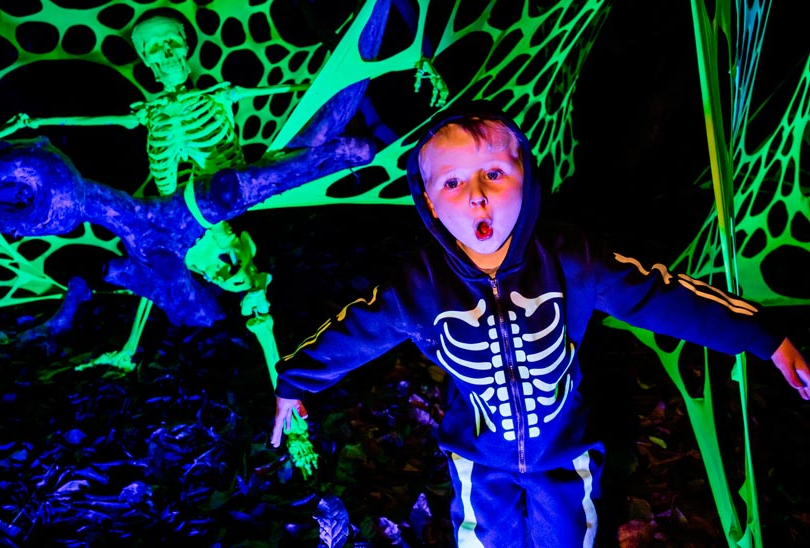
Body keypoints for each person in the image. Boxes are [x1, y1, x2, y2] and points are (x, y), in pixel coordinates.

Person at [269, 100, 810, 547]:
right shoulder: (419, 285)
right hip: (478, 457)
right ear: (430, 203)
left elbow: (660, 295)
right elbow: (355, 330)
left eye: (494, 173)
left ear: (526, 179)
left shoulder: (572, 258)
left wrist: (761, 336)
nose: (477, 193)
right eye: (453, 183)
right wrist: (295, 382)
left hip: (564, 451)